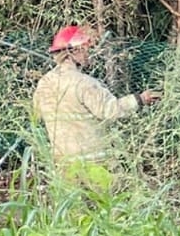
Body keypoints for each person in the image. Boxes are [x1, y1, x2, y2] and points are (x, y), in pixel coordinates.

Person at [32, 24, 159, 187]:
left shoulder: (44, 83)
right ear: (74, 51)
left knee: (73, 209)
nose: (89, 54)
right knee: (105, 207)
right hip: (94, 163)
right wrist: (140, 99)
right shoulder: (85, 83)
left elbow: (37, 114)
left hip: (63, 163)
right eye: (86, 49)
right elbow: (110, 110)